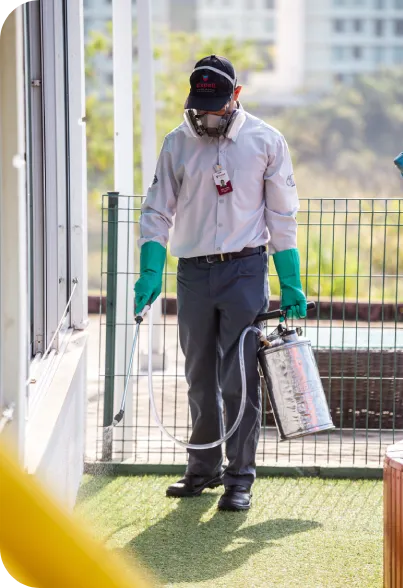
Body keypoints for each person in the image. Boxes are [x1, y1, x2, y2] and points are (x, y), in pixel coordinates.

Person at [134, 54, 307, 511]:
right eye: (199, 104)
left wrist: (290, 282)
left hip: (245, 271)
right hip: (193, 273)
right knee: (198, 377)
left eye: (216, 103)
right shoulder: (177, 142)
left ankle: (239, 479)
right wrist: (151, 268)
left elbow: (282, 216)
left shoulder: (266, 141)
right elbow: (157, 210)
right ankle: (202, 469)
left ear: (236, 96)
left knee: (240, 380)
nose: (207, 114)